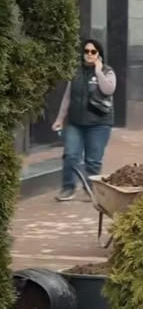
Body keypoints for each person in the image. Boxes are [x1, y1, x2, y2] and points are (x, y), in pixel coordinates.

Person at [52, 39, 116, 201]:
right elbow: (68, 97)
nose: (89, 54)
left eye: (93, 52)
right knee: (70, 155)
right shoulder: (76, 72)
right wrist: (60, 119)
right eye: (86, 51)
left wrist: (98, 71)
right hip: (75, 123)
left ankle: (90, 189)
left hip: (99, 124)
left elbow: (108, 89)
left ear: (99, 54)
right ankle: (68, 188)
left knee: (93, 160)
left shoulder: (107, 71)